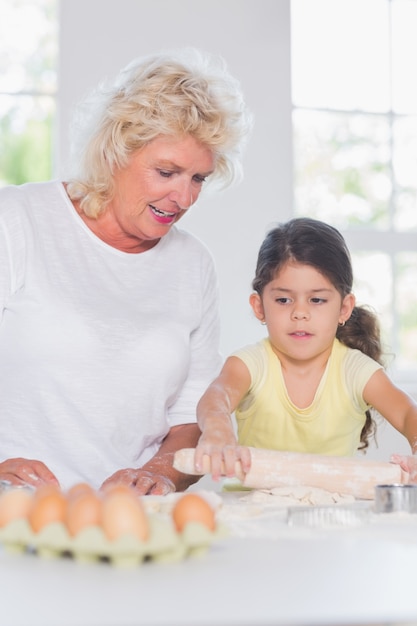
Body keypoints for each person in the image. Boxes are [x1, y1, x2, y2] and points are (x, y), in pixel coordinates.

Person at [0, 48, 252, 494]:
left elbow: (192, 417)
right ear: (115, 151)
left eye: (198, 179)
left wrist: (158, 474)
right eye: (167, 171)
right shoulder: (19, 220)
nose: (184, 198)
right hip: (16, 513)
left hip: (132, 521)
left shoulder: (192, 265)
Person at [194, 217, 417, 481]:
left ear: (344, 308)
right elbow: (217, 396)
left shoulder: (355, 370)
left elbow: (406, 413)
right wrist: (217, 428)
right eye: (284, 300)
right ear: (259, 306)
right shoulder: (250, 364)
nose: (300, 313)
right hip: (256, 513)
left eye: (317, 300)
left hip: (335, 511)